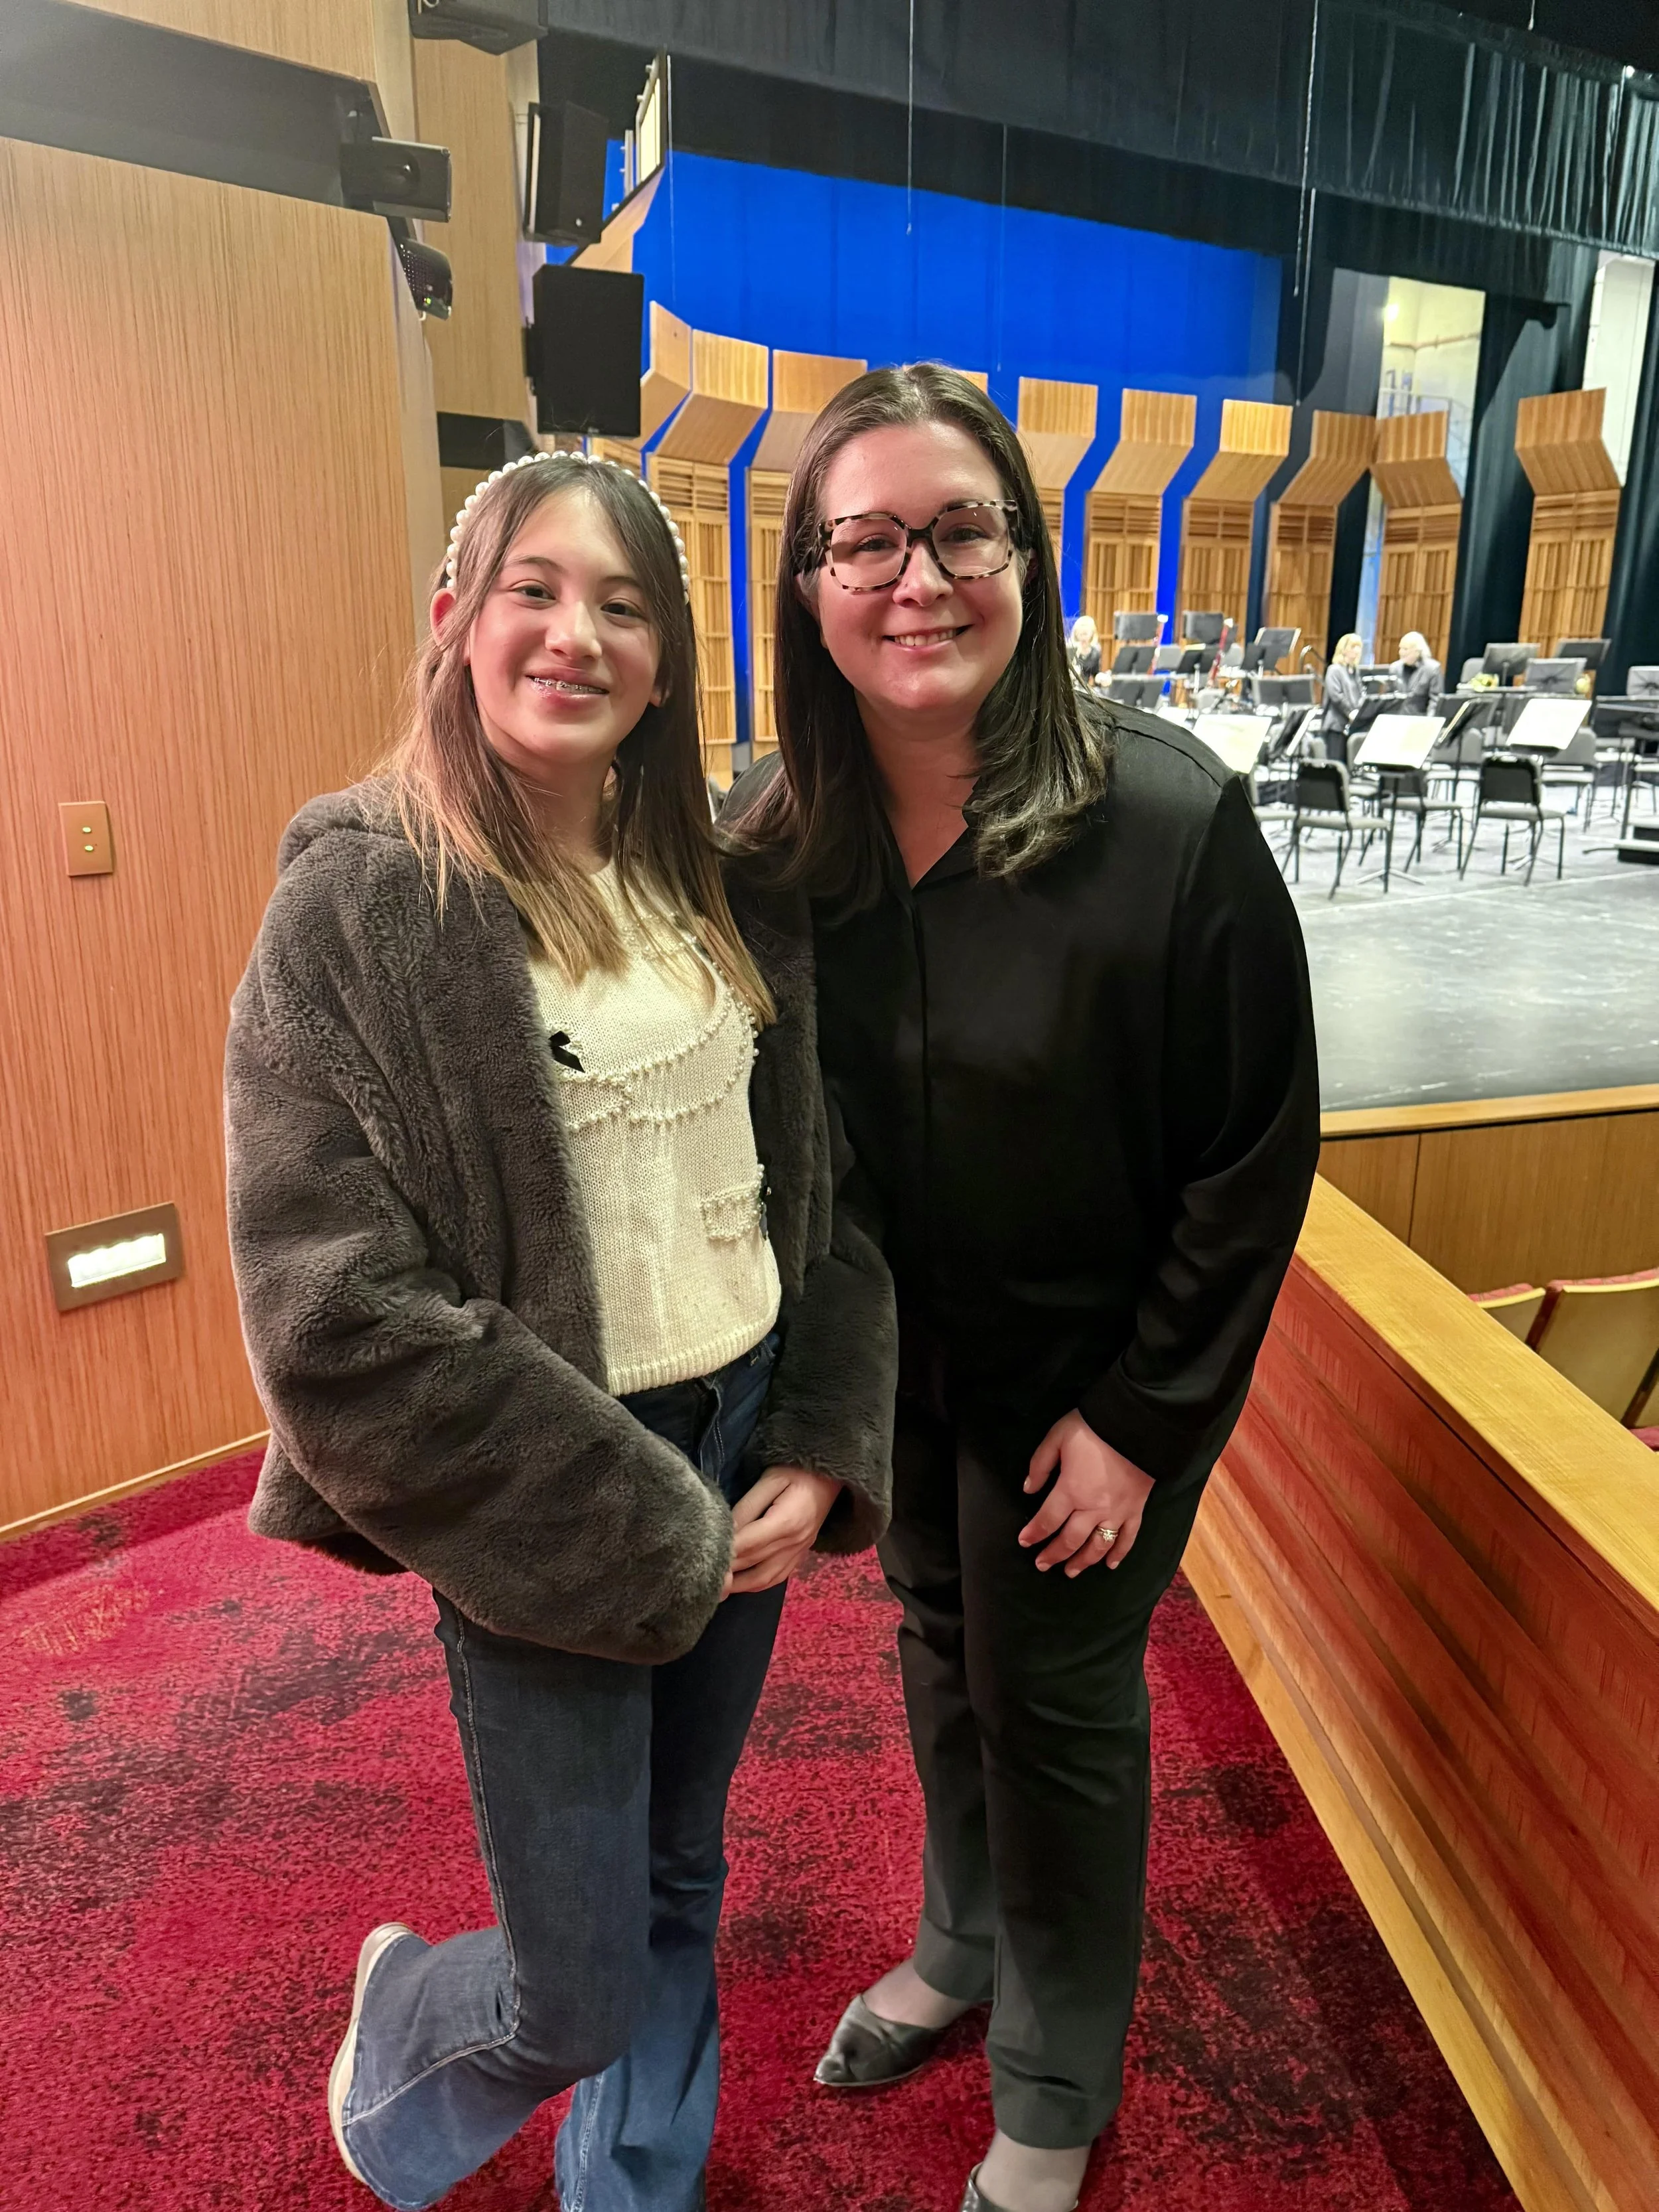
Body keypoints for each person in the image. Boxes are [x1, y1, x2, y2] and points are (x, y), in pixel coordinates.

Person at [224, 451, 896, 2212]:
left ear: (666, 662)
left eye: (620, 603)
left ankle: (635, 2191)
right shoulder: (362, 906)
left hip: (747, 1436)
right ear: (455, 616)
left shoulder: (735, 894)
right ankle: (402, 2036)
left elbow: (818, 1197)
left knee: (684, 1877)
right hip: (537, 1481)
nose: (573, 632)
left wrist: (822, 1434)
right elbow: (333, 1313)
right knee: (572, 1973)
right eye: (533, 587)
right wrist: (645, 1515)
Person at [727, 366, 1320, 2212]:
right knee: (938, 1649)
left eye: (959, 529)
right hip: (900, 1381)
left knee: (1051, 1692)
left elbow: (1252, 1151)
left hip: (1099, 1382)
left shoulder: (1168, 823)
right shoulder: (775, 840)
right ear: (810, 589)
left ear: (1026, 556)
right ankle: (963, 1940)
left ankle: (1054, 2088)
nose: (917, 577)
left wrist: (1144, 1422)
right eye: (867, 540)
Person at [1318, 630, 1366, 763]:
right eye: (1353, 647)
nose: (1357, 651)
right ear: (1343, 650)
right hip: (1336, 724)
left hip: (1351, 725)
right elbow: (1336, 696)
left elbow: (1360, 694)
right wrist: (1350, 712)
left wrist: (1360, 711)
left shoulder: (1355, 671)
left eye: (1359, 647)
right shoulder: (1334, 670)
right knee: (1336, 763)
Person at [1390, 628, 1443, 715]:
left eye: (1405, 649)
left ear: (1418, 651)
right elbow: (1389, 698)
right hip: (1397, 719)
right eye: (1400, 648)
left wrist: (1429, 723)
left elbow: (1435, 701)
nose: (1401, 652)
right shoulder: (1394, 668)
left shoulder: (1433, 669)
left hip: (1420, 720)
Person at [1065, 613, 1100, 688]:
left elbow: (1096, 674)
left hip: (1085, 690)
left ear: (1092, 634)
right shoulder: (1069, 649)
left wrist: (1100, 678)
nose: (1083, 638)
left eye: (1086, 634)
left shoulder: (1095, 652)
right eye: (1080, 634)